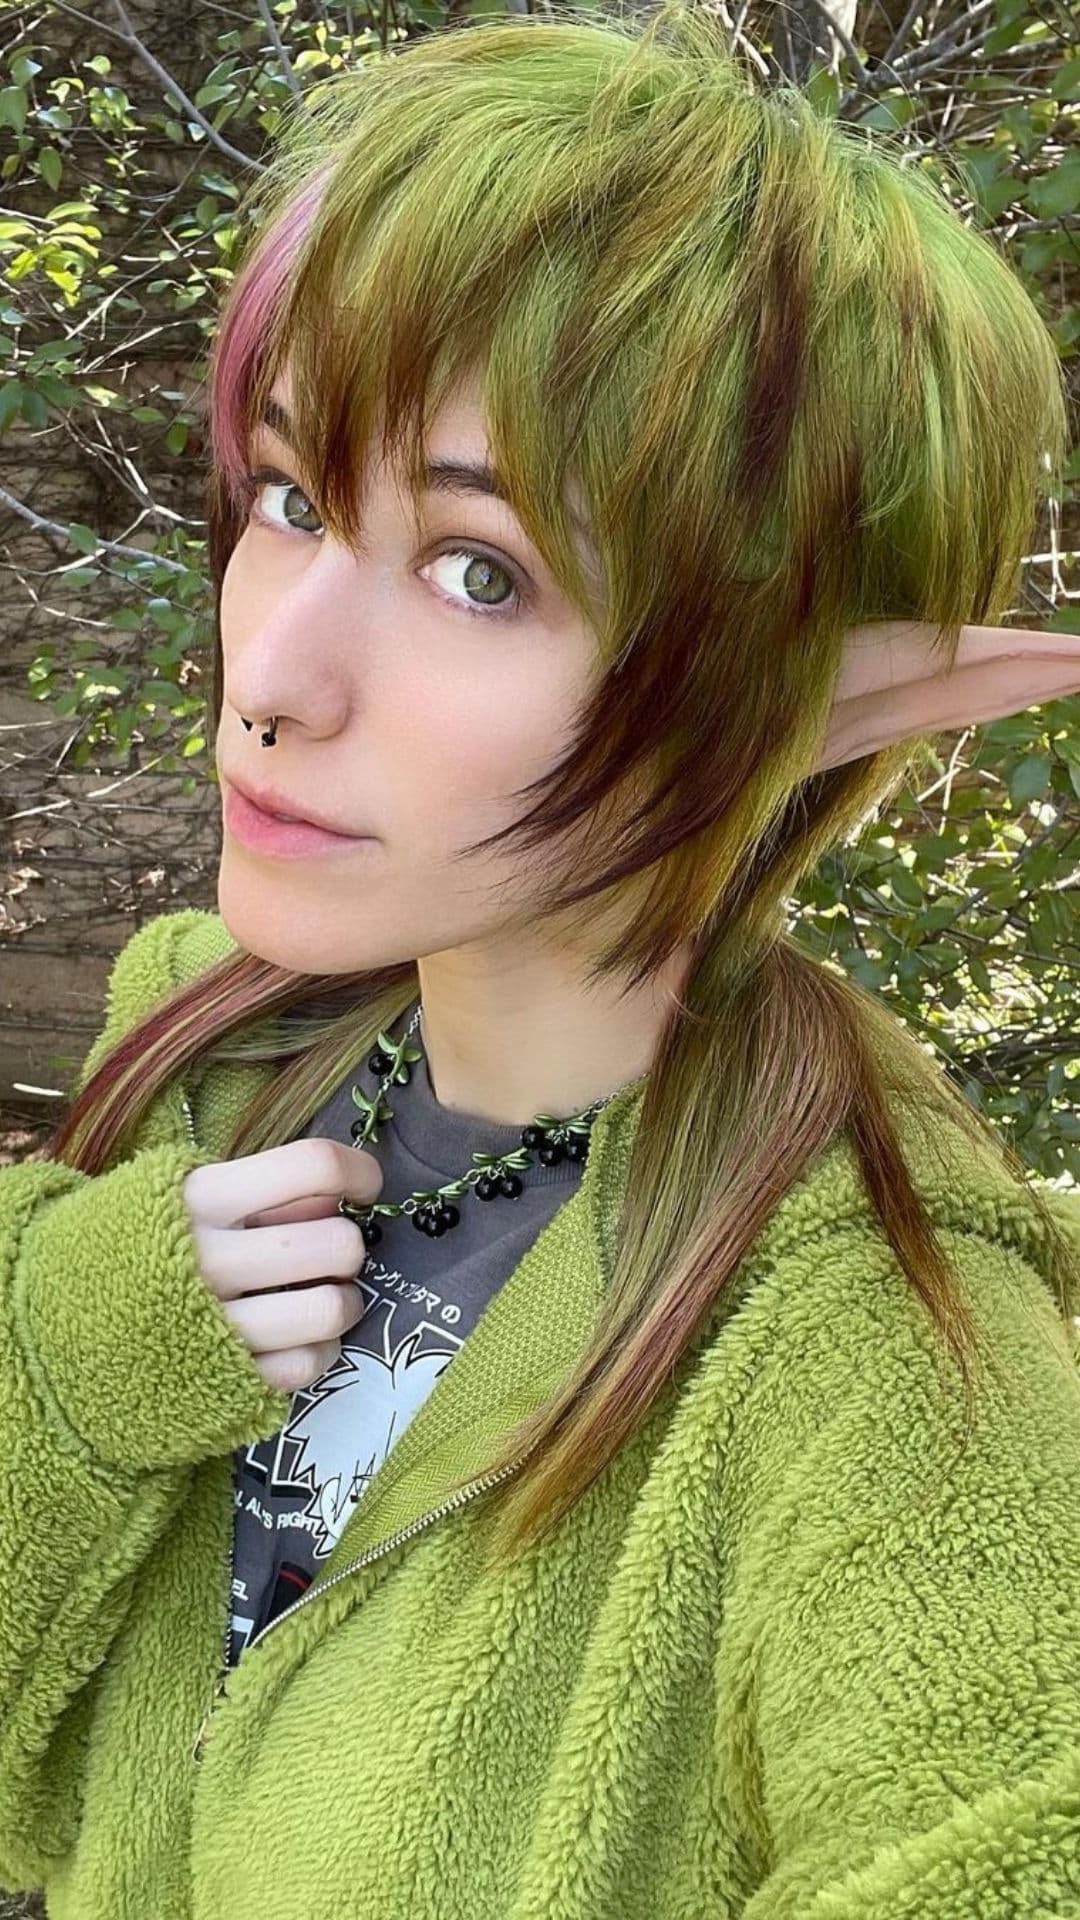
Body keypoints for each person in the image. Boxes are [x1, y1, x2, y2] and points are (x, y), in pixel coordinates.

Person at [3, 6, 1080, 1916]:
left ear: (836, 695)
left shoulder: (880, 1351)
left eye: (478, 569)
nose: (270, 678)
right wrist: (82, 1359)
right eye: (289, 497)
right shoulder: (203, 1059)